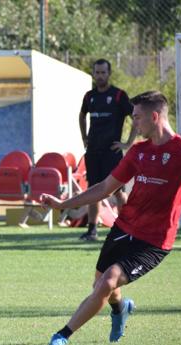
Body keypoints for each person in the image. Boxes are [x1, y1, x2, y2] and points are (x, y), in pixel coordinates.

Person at [42, 91, 181, 345]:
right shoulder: (138, 151)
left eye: (137, 118)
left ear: (154, 116)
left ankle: (61, 335)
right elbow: (104, 187)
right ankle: (120, 310)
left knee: (107, 281)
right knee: (102, 286)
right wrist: (62, 204)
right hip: (124, 227)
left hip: (153, 241)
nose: (134, 124)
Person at [79, 58, 136, 241]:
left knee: (119, 192)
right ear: (93, 74)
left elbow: (135, 116)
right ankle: (92, 230)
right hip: (94, 152)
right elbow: (81, 115)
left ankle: (125, 229)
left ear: (109, 74)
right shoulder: (89, 96)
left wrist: (127, 143)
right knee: (93, 190)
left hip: (112, 152)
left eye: (103, 72)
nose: (100, 76)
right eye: (97, 72)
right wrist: (84, 138)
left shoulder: (119, 95)